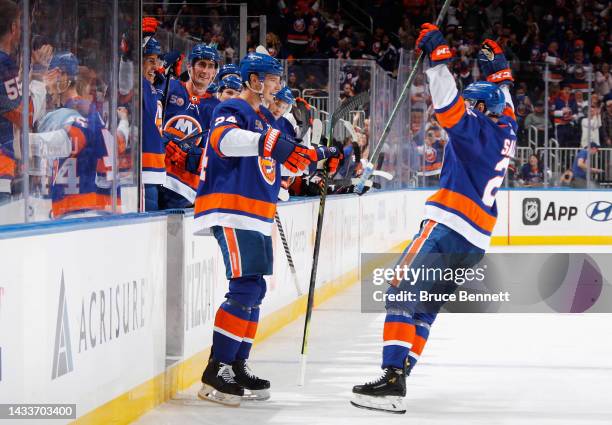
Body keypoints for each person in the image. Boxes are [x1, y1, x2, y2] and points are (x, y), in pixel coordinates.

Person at [351, 28, 518, 414]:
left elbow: (448, 105)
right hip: (475, 242)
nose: (468, 108)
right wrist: (501, 70)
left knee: (400, 291)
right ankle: (404, 370)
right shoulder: (507, 128)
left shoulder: (473, 132)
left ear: (479, 110)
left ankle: (392, 379)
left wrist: (438, 60)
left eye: (472, 104)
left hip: (447, 226)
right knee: (424, 309)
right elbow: (505, 101)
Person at [192, 51, 340, 406]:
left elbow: (280, 167)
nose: (278, 86)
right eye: (273, 79)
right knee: (244, 288)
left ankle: (237, 364)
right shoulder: (234, 110)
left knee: (254, 289)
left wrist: (319, 159)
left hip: (256, 212)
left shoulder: (262, 119)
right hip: (231, 208)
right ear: (255, 81)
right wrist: (271, 144)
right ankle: (218, 368)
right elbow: (223, 142)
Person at [0, 0, 51, 205]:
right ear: (13, 28)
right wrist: (40, 81)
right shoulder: (3, 62)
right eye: (20, 22)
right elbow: (23, 116)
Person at [158, 43, 220, 209]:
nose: (205, 71)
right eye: (201, 64)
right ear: (189, 66)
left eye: (210, 66)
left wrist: (190, 153)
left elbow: (213, 155)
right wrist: (163, 140)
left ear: (215, 72)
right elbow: (148, 119)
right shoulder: (170, 87)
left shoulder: (217, 108)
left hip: (186, 190)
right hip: (157, 175)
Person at [140, 24, 165, 211]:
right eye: (150, 60)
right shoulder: (137, 84)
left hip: (154, 171)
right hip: (141, 173)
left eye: (156, 61)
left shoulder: (150, 87)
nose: (155, 67)